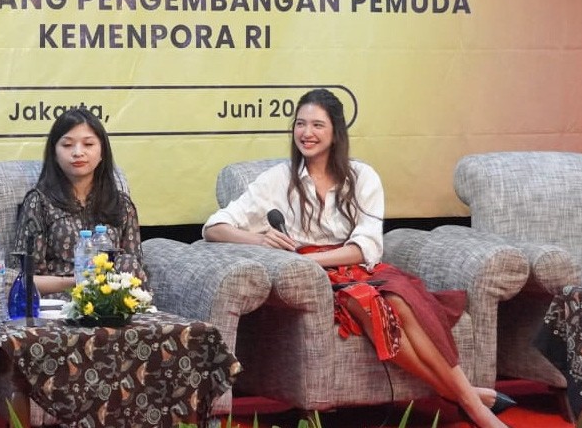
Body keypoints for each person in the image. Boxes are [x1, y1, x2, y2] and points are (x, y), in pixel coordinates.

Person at [202, 88, 513, 428]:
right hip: (314, 281)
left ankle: (466, 398)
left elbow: (365, 247)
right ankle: (472, 402)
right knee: (366, 302)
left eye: (317, 125)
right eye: (300, 124)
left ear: (336, 132)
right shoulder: (278, 179)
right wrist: (259, 240)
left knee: (398, 301)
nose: (307, 133)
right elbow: (214, 227)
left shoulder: (362, 176)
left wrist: (315, 261)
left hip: (355, 266)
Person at [13, 108, 146, 296]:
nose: (78, 152)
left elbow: (134, 268)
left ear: (102, 152)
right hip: (61, 299)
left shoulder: (121, 204)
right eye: (67, 145)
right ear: (54, 153)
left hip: (111, 301)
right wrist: (79, 282)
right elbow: (24, 279)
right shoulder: (39, 202)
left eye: (88, 144)